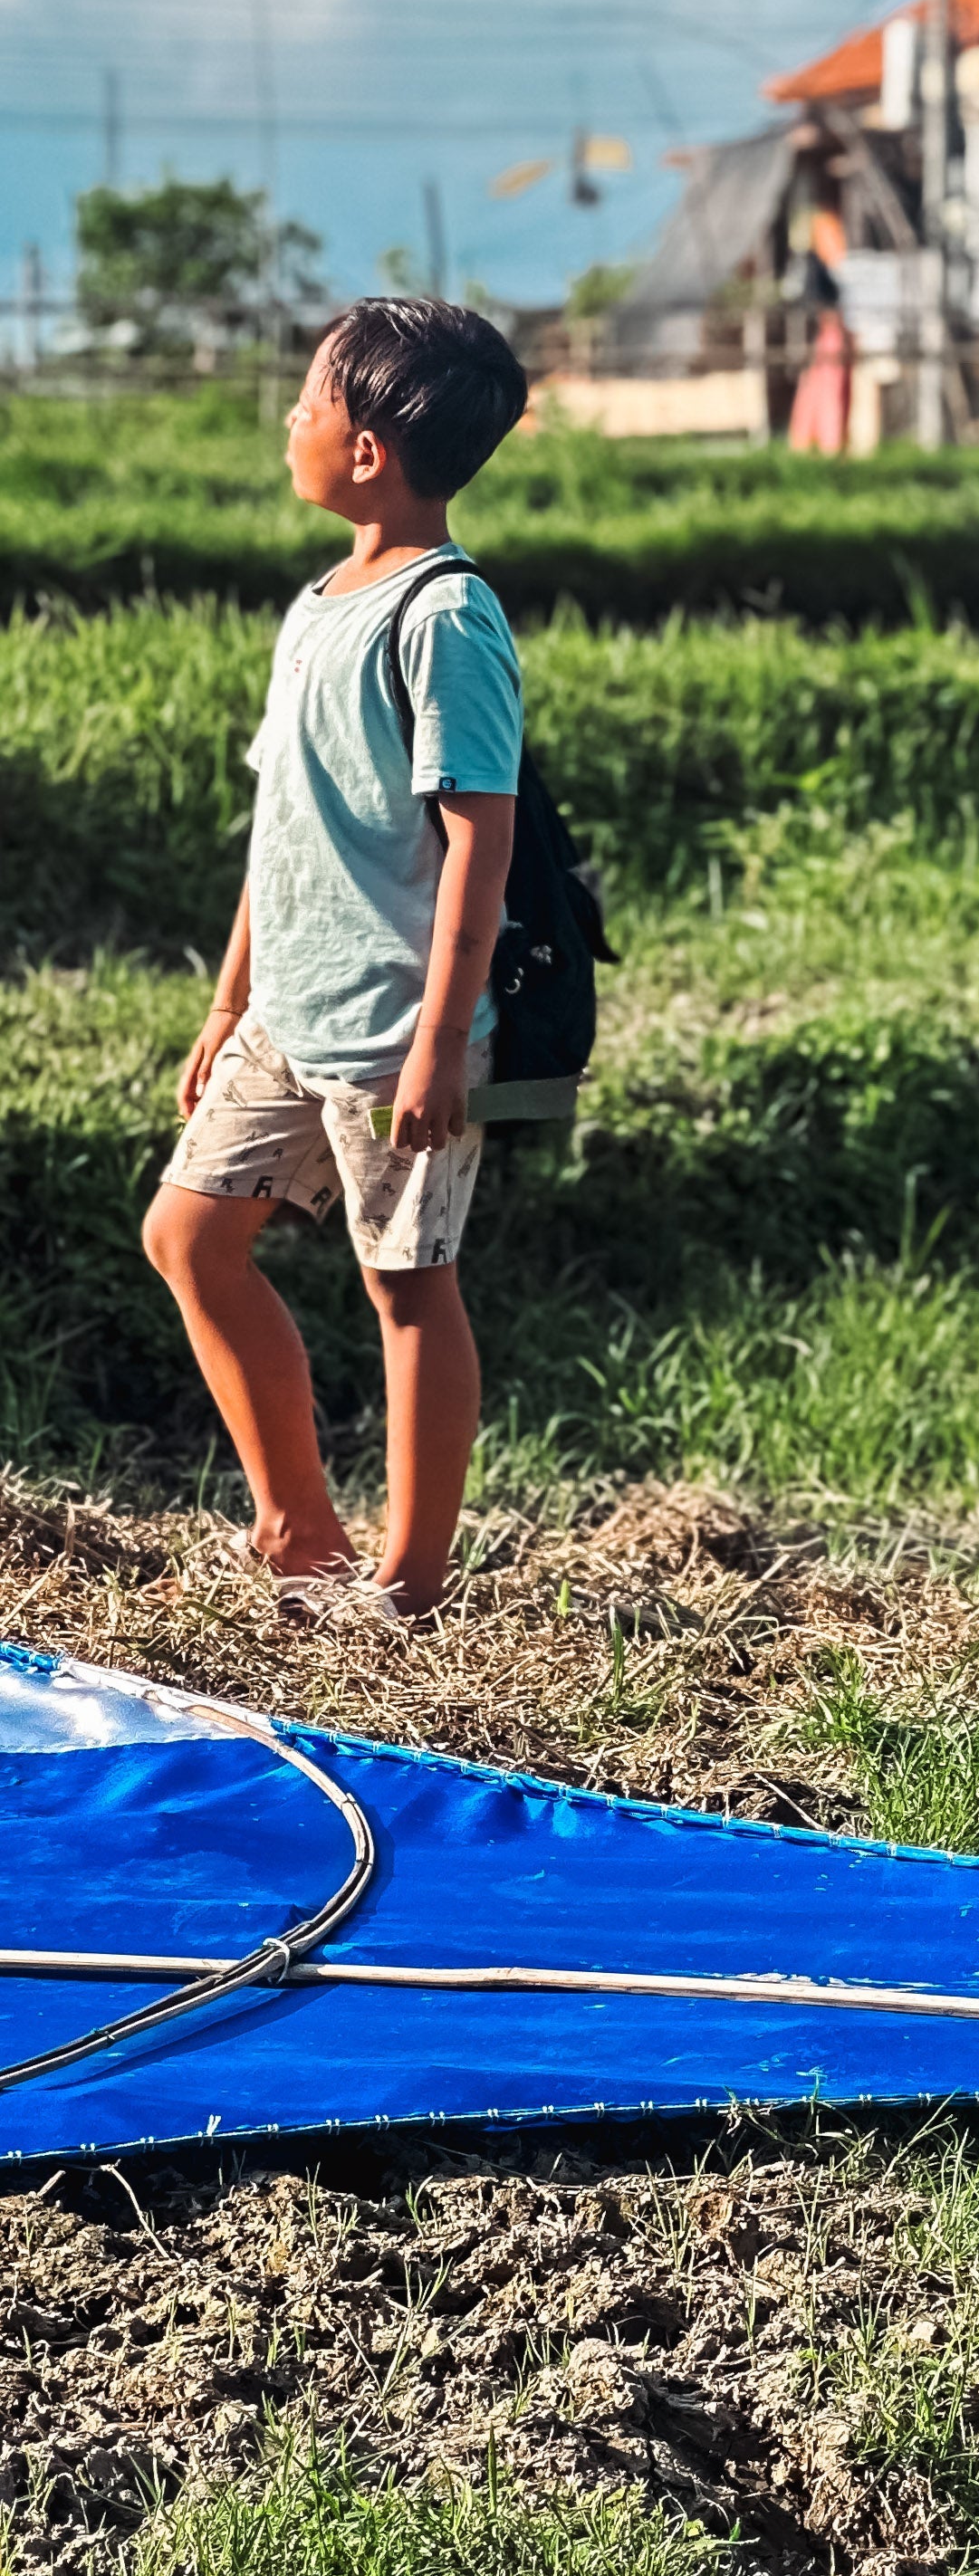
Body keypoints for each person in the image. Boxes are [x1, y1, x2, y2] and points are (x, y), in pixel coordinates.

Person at [143, 301, 529, 1620]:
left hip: (394, 1027)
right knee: (190, 1238)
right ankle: (297, 1532)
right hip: (287, 1012)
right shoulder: (318, 607)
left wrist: (441, 1034)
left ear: (366, 449)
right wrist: (229, 996)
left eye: (307, 402)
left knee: (409, 1287)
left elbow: (483, 838)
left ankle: (408, 1584)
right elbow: (283, 819)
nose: (291, 422)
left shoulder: (447, 615)